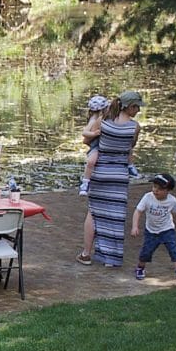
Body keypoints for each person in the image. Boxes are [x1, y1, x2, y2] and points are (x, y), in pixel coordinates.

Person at [85, 92, 144, 269]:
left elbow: (87, 140)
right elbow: (130, 147)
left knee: (95, 213)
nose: (138, 110)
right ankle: (112, 257)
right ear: (129, 106)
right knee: (116, 216)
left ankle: (87, 253)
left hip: (101, 171)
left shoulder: (103, 121)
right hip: (119, 175)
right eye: (136, 107)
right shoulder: (135, 127)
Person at [129, 175, 176, 283]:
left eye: (159, 189)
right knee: (146, 251)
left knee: (174, 249)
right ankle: (140, 268)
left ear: (168, 190)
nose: (155, 190)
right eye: (154, 187)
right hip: (151, 231)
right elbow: (138, 211)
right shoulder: (147, 197)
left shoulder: (172, 200)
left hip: (167, 230)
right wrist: (135, 226)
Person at [76, 95, 110, 265]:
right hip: (98, 153)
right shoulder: (97, 120)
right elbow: (85, 136)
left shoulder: (105, 118)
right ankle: (85, 182)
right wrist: (95, 133)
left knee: (95, 210)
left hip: (102, 157)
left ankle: (90, 252)